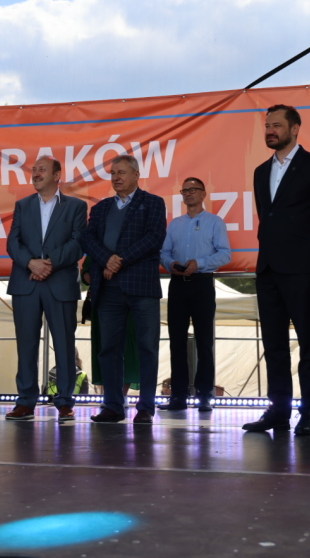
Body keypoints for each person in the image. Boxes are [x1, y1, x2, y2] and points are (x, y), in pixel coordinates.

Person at [244, 104, 310, 435]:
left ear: (295, 128)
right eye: (267, 126)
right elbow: (268, 219)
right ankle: (278, 411)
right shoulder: (261, 171)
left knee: (308, 343)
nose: (270, 130)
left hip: (301, 269)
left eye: (277, 125)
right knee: (273, 344)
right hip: (268, 268)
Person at [81, 155, 167, 425]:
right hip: (108, 288)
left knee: (147, 348)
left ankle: (146, 407)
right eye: (112, 173)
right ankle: (113, 406)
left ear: (136, 175)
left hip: (142, 287)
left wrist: (119, 260)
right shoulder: (101, 208)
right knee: (108, 349)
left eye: (121, 172)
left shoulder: (153, 202)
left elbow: (154, 237)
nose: (116, 177)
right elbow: (87, 239)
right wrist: (107, 259)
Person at [5, 156, 87, 422]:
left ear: (57, 175)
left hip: (59, 283)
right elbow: (13, 242)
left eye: (42, 169)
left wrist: (49, 263)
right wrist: (31, 263)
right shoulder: (22, 205)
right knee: (26, 345)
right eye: (34, 170)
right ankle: (25, 401)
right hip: (26, 283)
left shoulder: (75, 206)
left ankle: (64, 401)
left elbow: (78, 243)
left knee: (64, 345)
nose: (36, 173)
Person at [158, 177, 231, 412]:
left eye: (193, 189)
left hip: (202, 283)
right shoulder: (174, 224)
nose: (188, 193)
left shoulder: (214, 222)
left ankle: (204, 395)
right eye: (185, 190)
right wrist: (170, 263)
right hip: (178, 284)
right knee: (177, 342)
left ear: (203, 194)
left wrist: (198, 263)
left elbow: (225, 254)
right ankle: (178, 396)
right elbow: (163, 252)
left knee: (204, 342)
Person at [82, 256, 141, 393]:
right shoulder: (96, 247)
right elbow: (85, 273)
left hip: (129, 299)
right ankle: (109, 394)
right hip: (102, 298)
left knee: (127, 347)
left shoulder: (130, 247)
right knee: (104, 347)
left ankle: (122, 395)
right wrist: (102, 274)